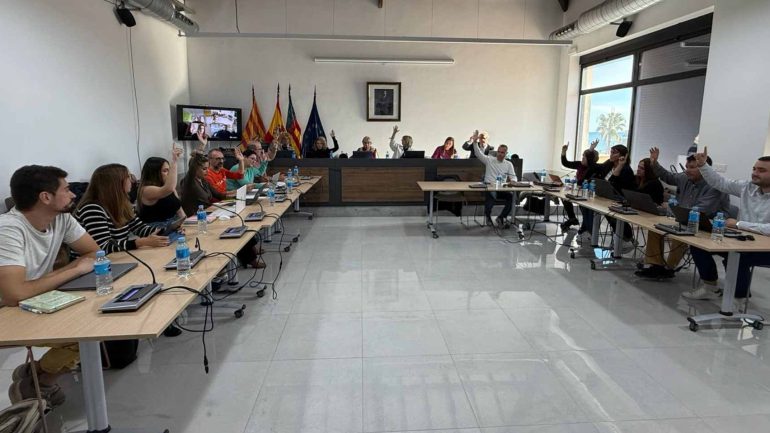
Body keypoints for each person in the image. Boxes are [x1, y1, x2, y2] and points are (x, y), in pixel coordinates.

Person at [0, 166, 100, 407]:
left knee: (100, 321)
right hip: (8, 311)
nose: (73, 194)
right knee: (85, 335)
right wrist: (74, 270)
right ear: (46, 197)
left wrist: (60, 274)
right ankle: (41, 381)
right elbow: (14, 295)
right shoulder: (8, 229)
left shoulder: (62, 218)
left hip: (39, 298)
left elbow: (94, 253)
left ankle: (36, 371)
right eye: (66, 189)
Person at [682, 147, 770, 301]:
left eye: (761, 170)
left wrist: (739, 224)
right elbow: (720, 183)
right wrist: (703, 165)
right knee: (699, 245)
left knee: (737, 257)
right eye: (754, 169)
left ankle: (739, 298)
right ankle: (710, 287)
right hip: (744, 240)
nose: (755, 173)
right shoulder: (748, 187)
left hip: (765, 248)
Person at [636, 148, 730, 279]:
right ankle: (656, 265)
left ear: (705, 169)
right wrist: (654, 163)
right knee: (655, 228)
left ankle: (669, 268)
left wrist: (674, 210)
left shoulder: (715, 186)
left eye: (692, 167)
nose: (687, 170)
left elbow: (702, 210)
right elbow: (668, 176)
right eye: (687, 167)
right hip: (685, 219)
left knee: (679, 233)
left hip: (710, 226)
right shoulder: (685, 177)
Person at [180, 154, 265, 268]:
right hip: (197, 221)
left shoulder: (203, 181)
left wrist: (239, 192)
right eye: (204, 169)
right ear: (194, 169)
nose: (207, 171)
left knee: (239, 223)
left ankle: (252, 252)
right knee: (233, 227)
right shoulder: (188, 182)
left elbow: (219, 195)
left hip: (210, 215)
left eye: (207, 168)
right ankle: (250, 258)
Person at [74, 164, 169, 253]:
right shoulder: (92, 209)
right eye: (128, 177)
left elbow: (139, 228)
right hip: (94, 262)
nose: (131, 180)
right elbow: (102, 247)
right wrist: (140, 242)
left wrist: (167, 230)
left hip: (118, 256)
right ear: (115, 183)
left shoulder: (123, 203)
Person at [472, 130, 516, 227]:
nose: (500, 154)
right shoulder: (489, 160)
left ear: (506, 153)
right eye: (499, 152)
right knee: (491, 196)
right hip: (489, 187)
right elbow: (478, 154)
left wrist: (513, 182)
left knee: (512, 197)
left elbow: (513, 177)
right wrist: (475, 142)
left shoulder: (509, 164)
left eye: (502, 152)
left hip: (501, 188)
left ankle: (501, 217)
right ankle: (488, 217)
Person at [137, 144, 186, 226]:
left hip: (174, 225)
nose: (169, 174)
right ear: (154, 173)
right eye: (165, 171)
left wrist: (186, 225)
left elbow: (180, 211)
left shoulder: (169, 187)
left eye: (169, 170)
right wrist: (174, 161)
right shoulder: (146, 190)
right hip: (157, 229)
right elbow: (169, 188)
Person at [559, 140, 599, 232]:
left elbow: (582, 181)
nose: (582, 159)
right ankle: (572, 218)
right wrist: (563, 152)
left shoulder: (593, 168)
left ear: (590, 159)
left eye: (584, 157)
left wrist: (591, 149)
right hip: (578, 190)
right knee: (565, 198)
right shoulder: (579, 164)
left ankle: (585, 226)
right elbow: (565, 163)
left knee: (583, 206)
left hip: (587, 193)